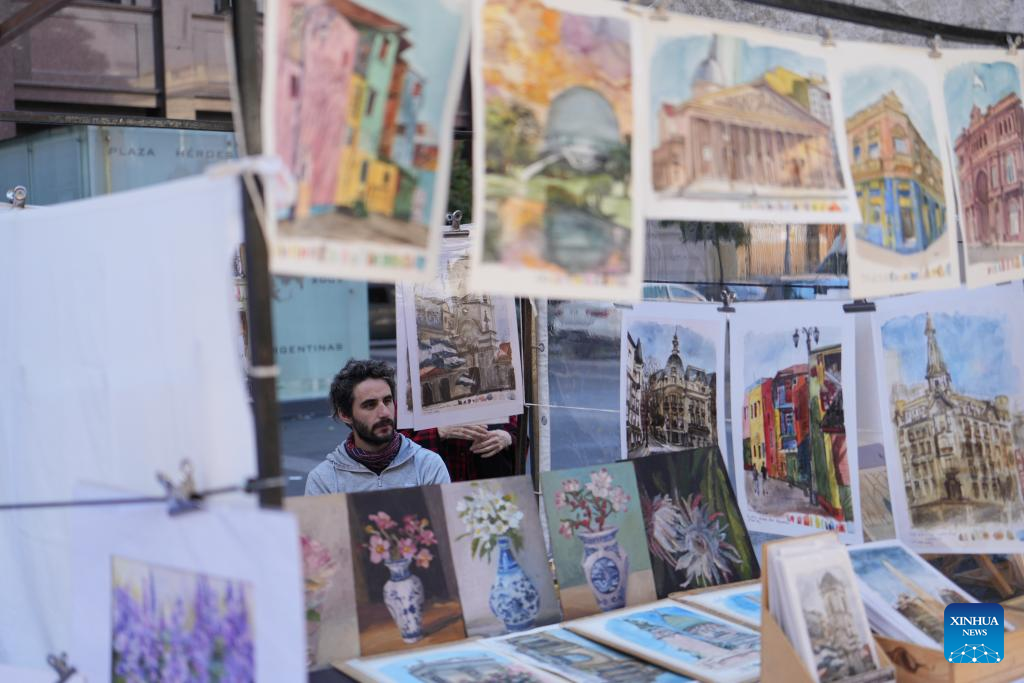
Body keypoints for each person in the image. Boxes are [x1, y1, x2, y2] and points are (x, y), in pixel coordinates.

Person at [305, 359, 450, 495]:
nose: (384, 413)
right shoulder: (324, 480)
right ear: (345, 414)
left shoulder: (428, 465)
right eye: (370, 405)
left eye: (387, 401)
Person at [403, 418, 520, 482]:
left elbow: (520, 438)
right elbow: (400, 447)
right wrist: (439, 432)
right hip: (438, 489)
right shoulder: (411, 388)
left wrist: (508, 438)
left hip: (492, 489)